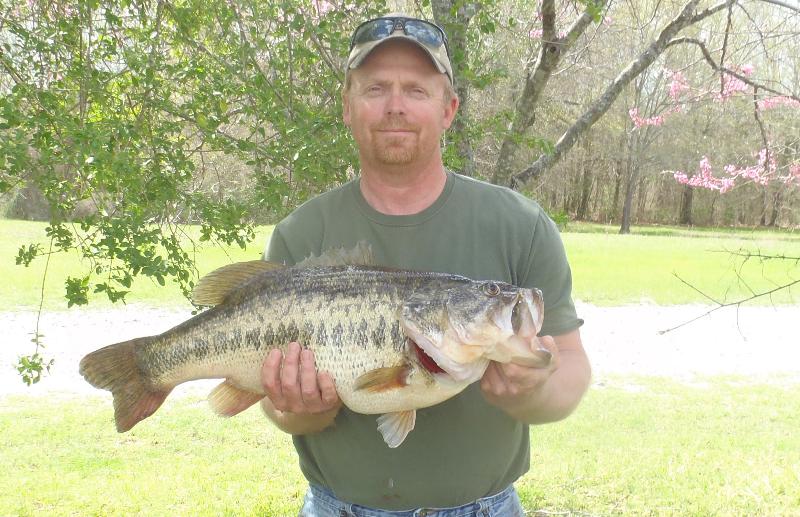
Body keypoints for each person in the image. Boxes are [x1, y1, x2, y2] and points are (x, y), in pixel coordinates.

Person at [260, 13, 591, 517]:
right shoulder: (300, 234)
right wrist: (298, 409)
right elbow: (274, 403)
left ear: (449, 108)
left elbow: (570, 371)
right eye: (375, 89)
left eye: (416, 89)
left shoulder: (520, 224)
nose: (395, 106)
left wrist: (530, 391)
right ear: (347, 107)